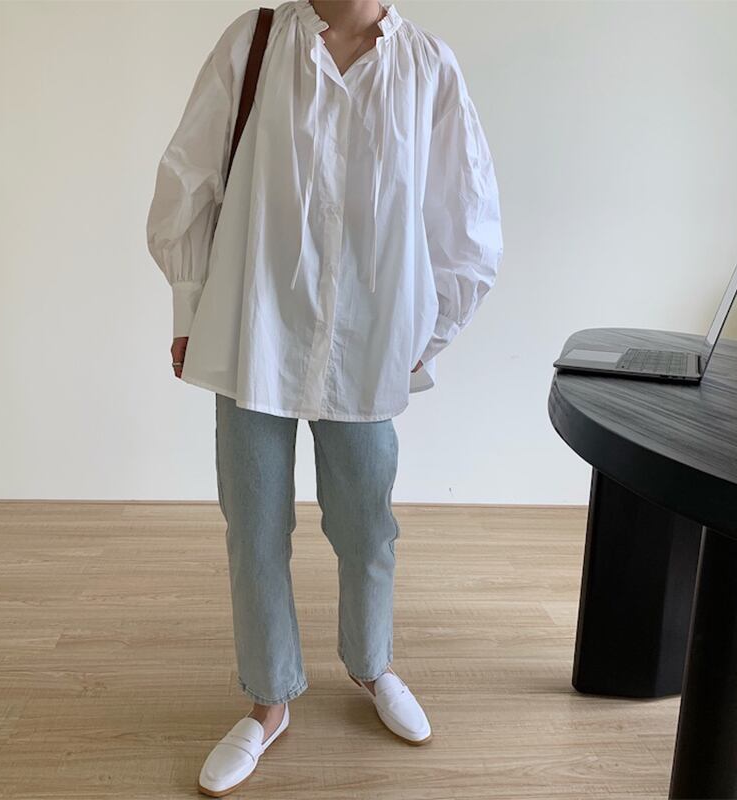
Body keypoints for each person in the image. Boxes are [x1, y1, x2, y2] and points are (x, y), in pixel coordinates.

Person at [146, 0, 503, 795]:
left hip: (367, 345)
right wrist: (189, 306)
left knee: (367, 524)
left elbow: (467, 214)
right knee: (254, 526)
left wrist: (432, 328)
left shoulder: (427, 67)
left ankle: (372, 666)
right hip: (253, 329)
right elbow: (189, 175)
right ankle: (268, 699)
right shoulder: (255, 42)